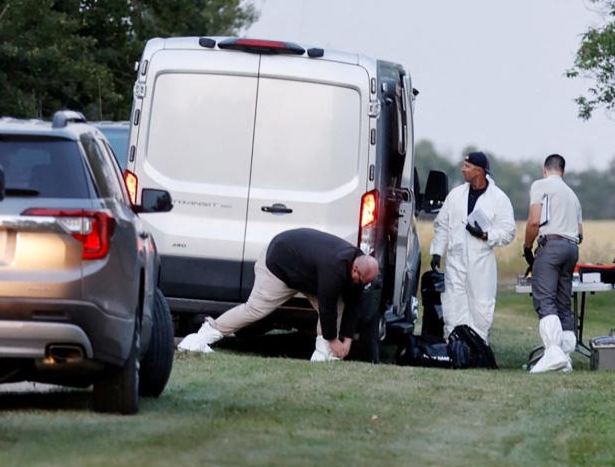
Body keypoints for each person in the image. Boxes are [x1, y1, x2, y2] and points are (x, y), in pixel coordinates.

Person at [177, 228, 380, 361]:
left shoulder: (359, 270)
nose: (363, 286)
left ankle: (323, 357)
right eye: (362, 282)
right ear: (355, 271)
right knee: (255, 309)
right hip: (278, 264)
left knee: (339, 307)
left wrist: (347, 341)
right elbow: (326, 306)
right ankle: (199, 338)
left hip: (307, 273)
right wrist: (335, 341)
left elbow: (353, 304)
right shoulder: (334, 268)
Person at [429, 151, 516, 343]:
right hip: (456, 260)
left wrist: (485, 235)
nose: (462, 169)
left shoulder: (498, 199)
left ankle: (478, 347)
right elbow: (442, 224)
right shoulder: (455, 195)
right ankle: (454, 346)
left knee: (481, 306)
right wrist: (437, 251)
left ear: (479, 171)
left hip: (481, 262)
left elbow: (509, 232)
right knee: (453, 304)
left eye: (467, 167)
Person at [523, 153, 583, 373]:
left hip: (551, 246)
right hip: (571, 248)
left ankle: (553, 354)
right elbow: (580, 233)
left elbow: (534, 221)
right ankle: (565, 358)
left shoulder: (540, 185)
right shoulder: (573, 195)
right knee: (563, 303)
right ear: (563, 171)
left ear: (544, 169)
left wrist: (527, 247)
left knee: (545, 301)